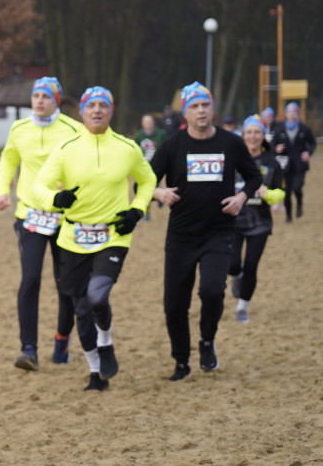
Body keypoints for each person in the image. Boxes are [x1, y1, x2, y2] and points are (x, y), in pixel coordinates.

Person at [33, 86, 156, 391]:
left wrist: (137, 210)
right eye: (92, 106)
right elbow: (39, 187)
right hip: (73, 238)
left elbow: (148, 179)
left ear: (111, 111)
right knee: (81, 309)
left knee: (98, 295)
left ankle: (106, 340)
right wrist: (56, 199)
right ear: (82, 112)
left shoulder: (128, 148)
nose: (97, 110)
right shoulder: (66, 148)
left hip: (113, 234)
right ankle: (94, 371)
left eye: (103, 105)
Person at [149, 82, 261, 381]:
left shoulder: (231, 143)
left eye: (205, 105)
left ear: (212, 109)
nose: (201, 111)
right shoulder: (173, 144)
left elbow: (253, 176)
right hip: (182, 235)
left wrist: (240, 197)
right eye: (195, 106)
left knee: (212, 291)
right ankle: (182, 361)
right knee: (174, 304)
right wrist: (159, 194)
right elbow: (145, 180)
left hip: (218, 231)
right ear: (185, 112)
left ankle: (207, 341)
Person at [0, 77, 81, 369]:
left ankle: (62, 338)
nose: (40, 101)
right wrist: (1, 191)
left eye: (46, 96)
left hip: (64, 217)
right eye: (36, 96)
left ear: (56, 100)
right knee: (30, 279)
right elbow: (8, 160)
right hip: (29, 214)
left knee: (65, 283)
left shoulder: (73, 130)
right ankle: (28, 349)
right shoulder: (19, 129)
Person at [228, 115, 286, 323]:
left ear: (263, 136)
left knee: (251, 266)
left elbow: (281, 191)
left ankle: (242, 307)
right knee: (233, 265)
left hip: (259, 223)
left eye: (257, 132)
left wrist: (269, 195)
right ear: (242, 136)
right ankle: (236, 275)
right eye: (249, 132)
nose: (253, 136)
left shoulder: (272, 162)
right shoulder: (232, 158)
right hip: (233, 221)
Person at [272, 102, 315, 222]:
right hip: (284, 166)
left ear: (298, 114)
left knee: (297, 188)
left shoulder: (304, 129)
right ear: (286, 114)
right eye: (289, 112)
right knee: (286, 191)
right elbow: (272, 144)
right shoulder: (279, 129)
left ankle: (299, 204)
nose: (292, 115)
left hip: (300, 166)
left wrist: (308, 153)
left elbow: (312, 143)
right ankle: (288, 216)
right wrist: (276, 149)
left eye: (294, 112)